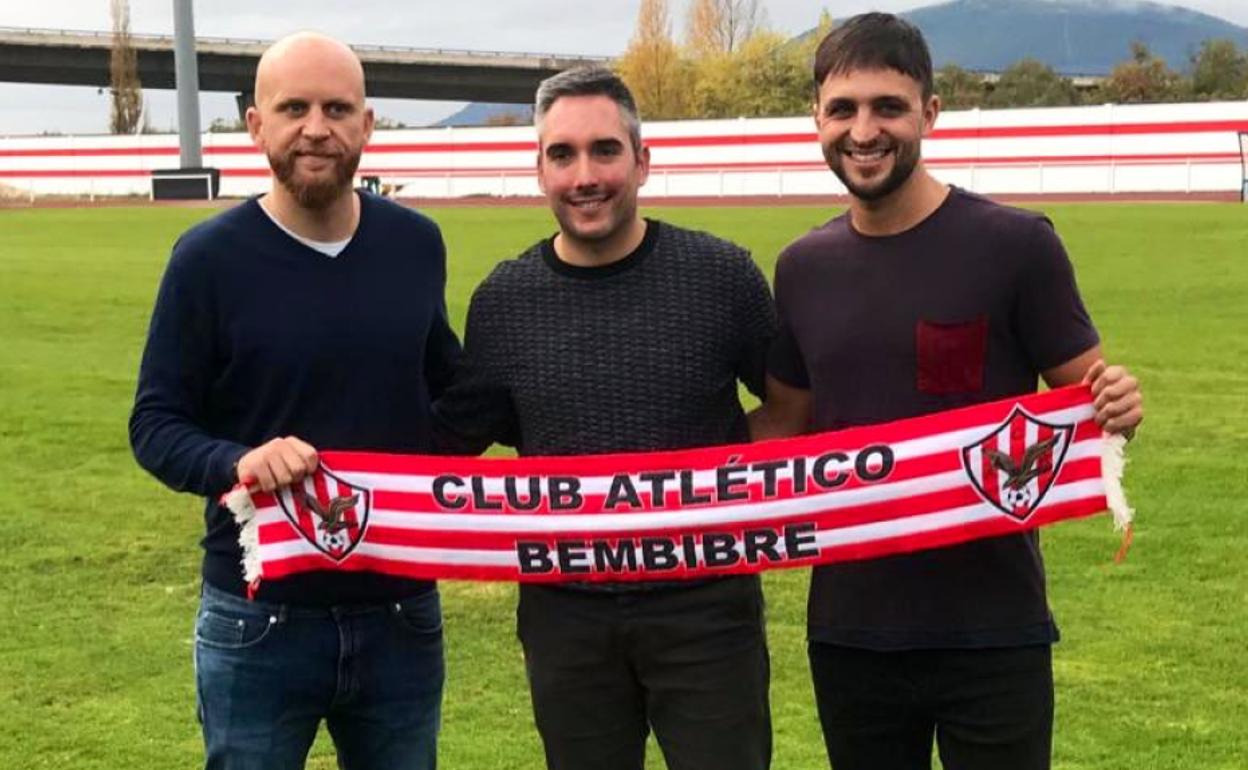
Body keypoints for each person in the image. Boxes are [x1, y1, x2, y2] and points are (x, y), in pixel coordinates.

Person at [757, 14, 1145, 770]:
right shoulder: (801, 267)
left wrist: (1122, 407)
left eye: (887, 107)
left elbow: (1095, 405)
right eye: (842, 109)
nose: (863, 131)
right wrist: (643, 482)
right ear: (816, 118)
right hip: (851, 632)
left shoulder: (1016, 245)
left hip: (993, 629)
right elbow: (782, 427)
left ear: (930, 113)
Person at [129, 32, 459, 770]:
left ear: (367, 125)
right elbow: (154, 423)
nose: (317, 127)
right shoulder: (207, 259)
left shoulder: (415, 245)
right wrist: (239, 459)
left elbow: (451, 390)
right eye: (294, 107)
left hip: (401, 610)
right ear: (256, 126)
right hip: (258, 616)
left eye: (338, 107)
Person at [432, 67, 776, 770]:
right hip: (567, 618)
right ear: (539, 170)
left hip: (707, 612)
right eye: (562, 154)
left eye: (604, 151)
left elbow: (795, 408)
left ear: (642, 160)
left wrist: (714, 489)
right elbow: (447, 443)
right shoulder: (504, 300)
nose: (584, 175)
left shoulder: (721, 277)